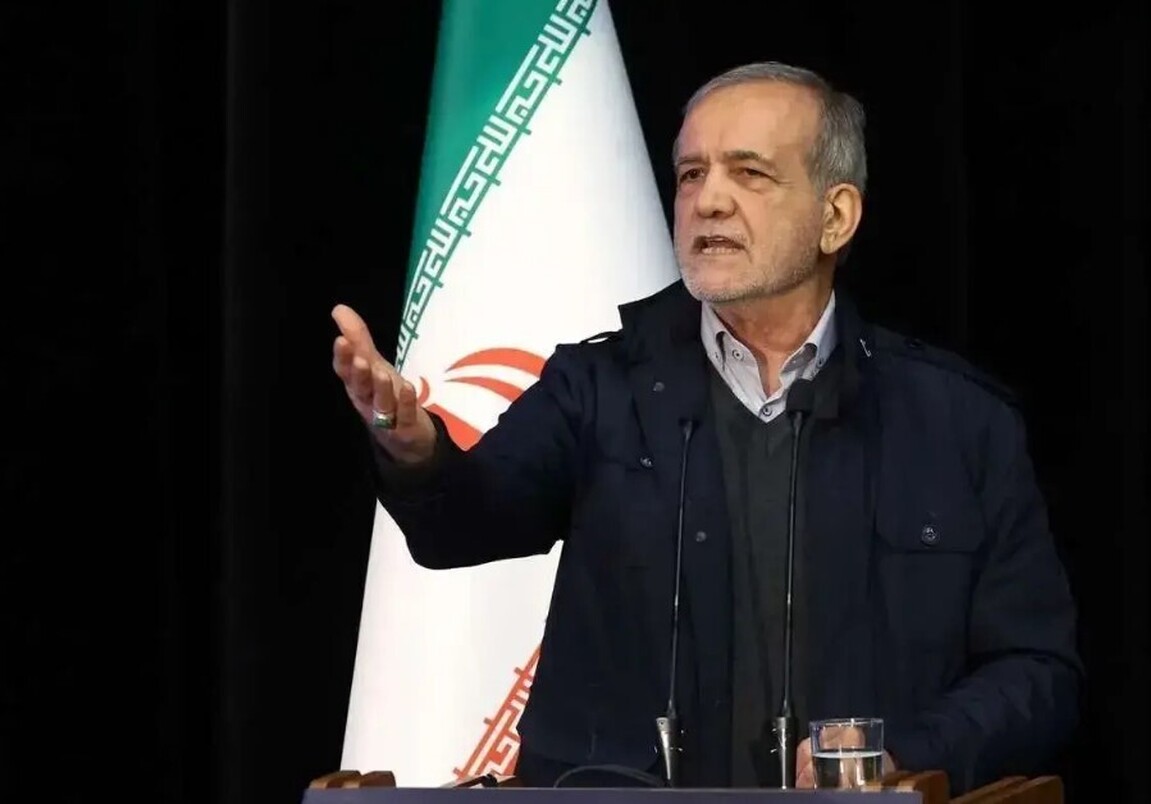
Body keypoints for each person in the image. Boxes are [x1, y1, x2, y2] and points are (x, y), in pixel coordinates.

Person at [330, 62, 1081, 793]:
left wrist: (906, 757)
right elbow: (462, 524)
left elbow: (1036, 671)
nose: (709, 200)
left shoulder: (956, 422)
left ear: (835, 216)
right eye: (691, 174)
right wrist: (411, 442)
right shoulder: (599, 388)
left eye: (748, 173)